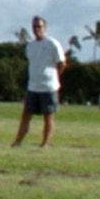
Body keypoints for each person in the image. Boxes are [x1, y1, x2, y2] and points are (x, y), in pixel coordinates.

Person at [12, 16, 66, 147]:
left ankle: (45, 143)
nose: (37, 29)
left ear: (45, 28)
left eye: (39, 26)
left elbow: (62, 63)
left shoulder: (53, 44)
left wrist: (54, 77)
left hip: (48, 87)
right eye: (34, 27)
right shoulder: (30, 46)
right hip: (33, 86)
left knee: (48, 116)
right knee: (26, 115)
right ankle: (17, 141)